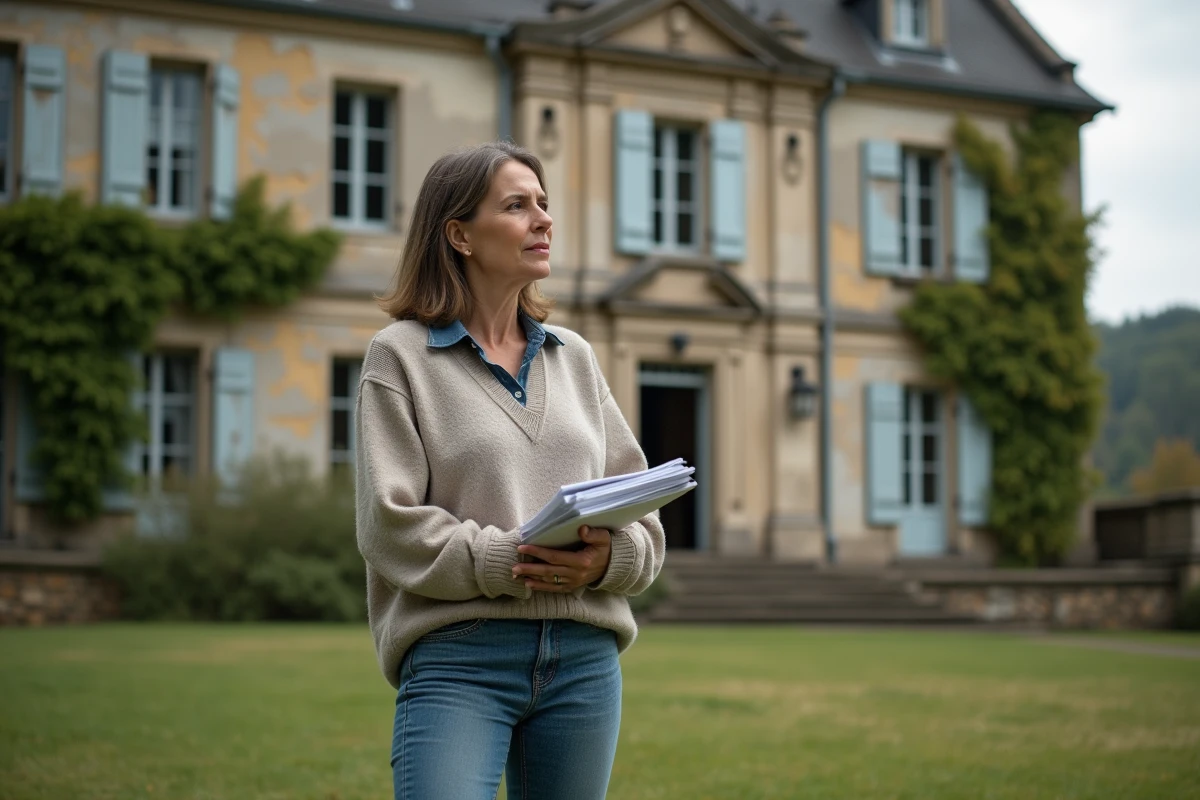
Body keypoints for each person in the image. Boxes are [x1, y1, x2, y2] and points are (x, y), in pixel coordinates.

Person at [355, 141, 666, 800]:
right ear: (459, 234)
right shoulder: (399, 357)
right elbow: (389, 525)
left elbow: (641, 513)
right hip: (459, 655)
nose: (544, 220)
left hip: (585, 660)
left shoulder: (574, 357)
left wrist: (607, 560)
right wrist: (507, 560)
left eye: (545, 204)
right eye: (518, 206)